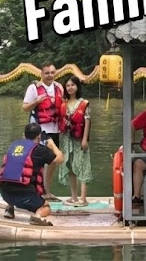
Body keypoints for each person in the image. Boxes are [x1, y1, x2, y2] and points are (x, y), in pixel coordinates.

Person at [0, 123, 64, 226]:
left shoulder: (14, 145)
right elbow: (60, 159)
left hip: (4, 194)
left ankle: (9, 208)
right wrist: (51, 144)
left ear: (24, 135)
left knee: (10, 176)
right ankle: (37, 217)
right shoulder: (40, 149)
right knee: (46, 207)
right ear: (39, 136)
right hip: (24, 197)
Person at [22, 63, 66, 201]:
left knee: (52, 161)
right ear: (41, 74)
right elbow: (24, 108)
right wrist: (36, 101)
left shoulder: (59, 87)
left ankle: (46, 190)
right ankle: (34, 190)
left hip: (55, 128)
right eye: (47, 73)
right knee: (37, 160)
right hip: (39, 130)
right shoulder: (34, 88)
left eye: (52, 72)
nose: (50, 75)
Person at [58, 76, 92, 206]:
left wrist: (85, 139)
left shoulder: (84, 103)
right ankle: (74, 197)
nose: (70, 88)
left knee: (83, 166)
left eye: (72, 85)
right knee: (70, 166)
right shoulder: (64, 103)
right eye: (68, 86)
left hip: (79, 139)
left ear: (77, 87)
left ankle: (83, 199)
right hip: (66, 139)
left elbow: (87, 121)